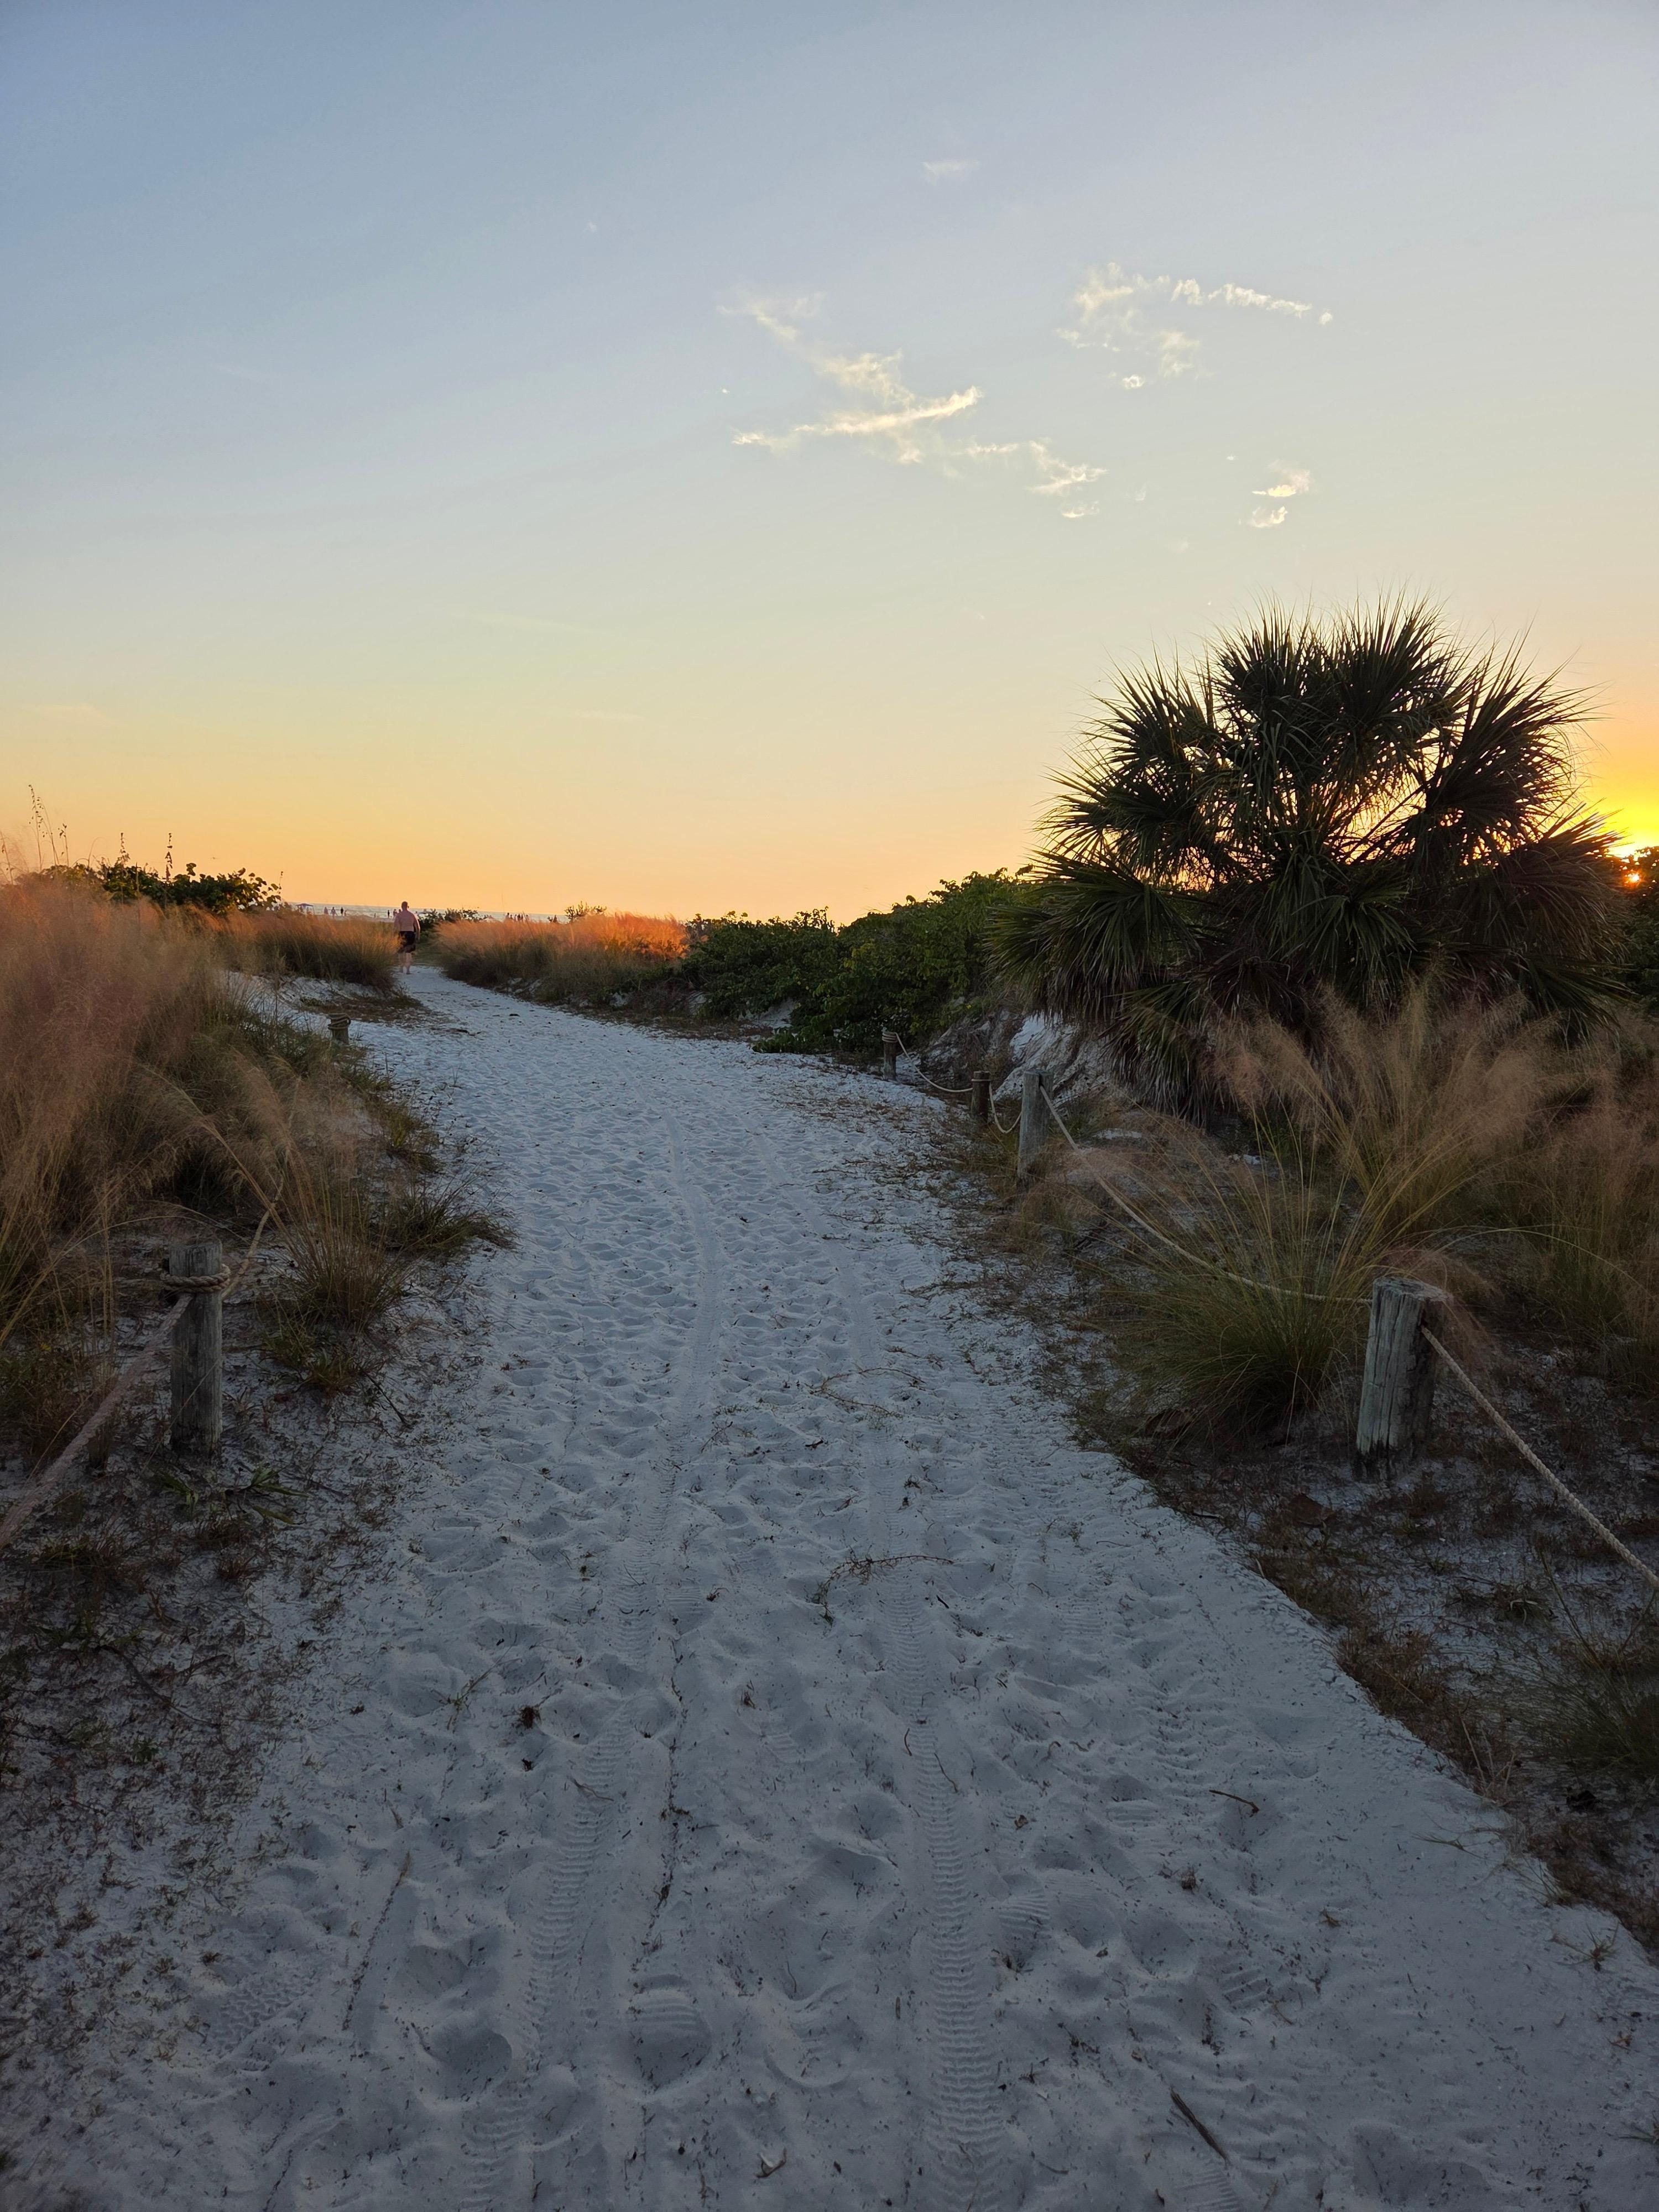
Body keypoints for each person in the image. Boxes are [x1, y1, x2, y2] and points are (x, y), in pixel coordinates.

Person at [393, 900, 420, 972]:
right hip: (411, 933)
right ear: (408, 907)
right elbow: (418, 927)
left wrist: (394, 935)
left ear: (402, 907)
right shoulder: (412, 915)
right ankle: (408, 970)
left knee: (401, 951)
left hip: (402, 933)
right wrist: (418, 936)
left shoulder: (399, 915)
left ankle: (401, 968)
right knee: (409, 952)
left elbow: (395, 927)